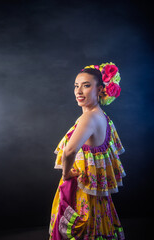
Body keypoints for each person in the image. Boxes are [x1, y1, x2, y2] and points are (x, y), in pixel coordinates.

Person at [48, 62, 126, 240]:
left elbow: (69, 151)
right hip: (95, 193)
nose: (79, 91)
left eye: (86, 85)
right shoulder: (102, 116)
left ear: (100, 90)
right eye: (76, 86)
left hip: (83, 189)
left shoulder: (89, 117)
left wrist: (67, 174)